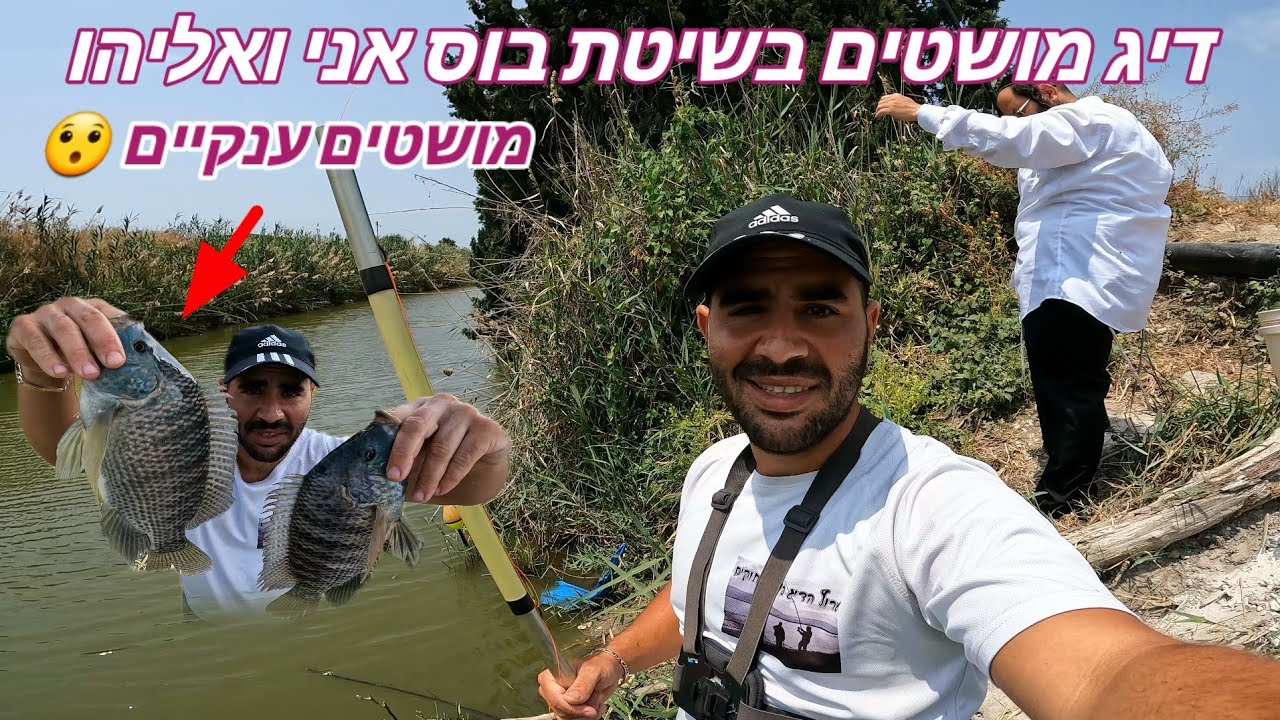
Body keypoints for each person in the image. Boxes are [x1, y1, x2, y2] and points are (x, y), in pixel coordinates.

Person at [536, 195, 1280, 720]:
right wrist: (614, 662)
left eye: (820, 308)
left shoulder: (932, 504)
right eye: (749, 307)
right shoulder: (713, 472)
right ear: (708, 327)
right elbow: (694, 599)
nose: (783, 346)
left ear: (870, 325)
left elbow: (1109, 674)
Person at [6, 297, 510, 617]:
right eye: (251, 389)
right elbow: (61, 446)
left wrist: (491, 448)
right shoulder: (185, 446)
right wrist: (40, 371)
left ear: (313, 396)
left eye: (291, 391)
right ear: (223, 391)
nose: (271, 412)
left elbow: (474, 487)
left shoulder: (337, 462)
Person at [876, 83, 1173, 517]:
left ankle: (1062, 499)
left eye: (1018, 111)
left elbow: (1012, 140)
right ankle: (1078, 469)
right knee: (1071, 379)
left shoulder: (1088, 120)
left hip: (1073, 276)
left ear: (1048, 93)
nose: (1015, 122)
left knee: (1066, 386)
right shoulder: (1103, 134)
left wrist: (923, 113)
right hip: (1081, 275)